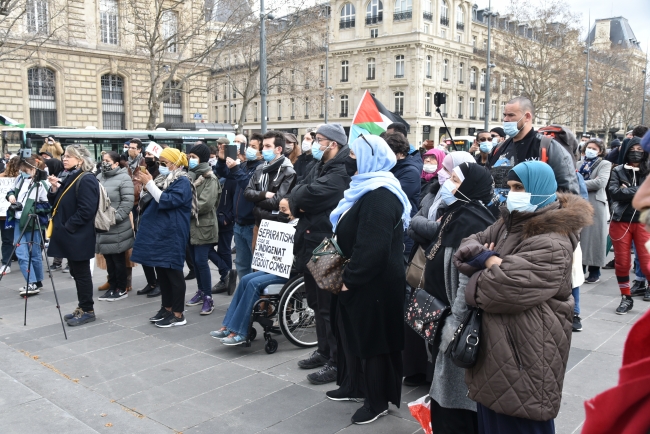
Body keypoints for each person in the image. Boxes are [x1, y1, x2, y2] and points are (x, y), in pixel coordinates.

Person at [454, 161, 593, 433]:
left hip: (526, 353)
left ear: (540, 189)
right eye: (509, 187)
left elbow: (500, 289)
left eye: (519, 187)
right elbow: (466, 246)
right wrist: (490, 260)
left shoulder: (552, 239)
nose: (511, 193)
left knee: (520, 420)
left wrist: (485, 262)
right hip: (499, 349)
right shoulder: (509, 222)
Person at [326, 134, 410, 425]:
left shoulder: (380, 195)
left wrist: (350, 279)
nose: (349, 160)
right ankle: (353, 386)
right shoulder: (364, 188)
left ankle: (376, 400)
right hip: (356, 278)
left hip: (373, 284)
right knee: (350, 334)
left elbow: (372, 247)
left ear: (369, 159)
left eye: (354, 156)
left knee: (373, 342)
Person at [425, 162, 496, 434]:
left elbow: (463, 281)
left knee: (455, 397)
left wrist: (452, 326)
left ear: (469, 186)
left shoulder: (473, 221)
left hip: (457, 324)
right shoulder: (457, 213)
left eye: (455, 179)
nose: (448, 184)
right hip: (444, 316)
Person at [289, 123, 352, 385]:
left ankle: (336, 362)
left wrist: (297, 201)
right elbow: (298, 188)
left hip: (326, 245)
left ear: (333, 144)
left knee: (328, 308)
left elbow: (311, 195)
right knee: (316, 304)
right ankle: (324, 351)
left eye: (318, 139)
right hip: (309, 240)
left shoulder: (340, 170)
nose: (314, 143)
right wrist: (298, 199)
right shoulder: (319, 165)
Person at [210, 198, 297, 345]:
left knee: (253, 284)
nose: (280, 213)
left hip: (289, 271)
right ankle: (228, 325)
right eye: (279, 209)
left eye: (284, 210)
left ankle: (240, 331)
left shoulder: (298, 227)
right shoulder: (282, 224)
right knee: (245, 279)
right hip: (274, 267)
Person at [132, 147, 193, 327]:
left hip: (172, 233)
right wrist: (146, 185)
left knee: (173, 273)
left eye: (165, 162)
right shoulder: (164, 178)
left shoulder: (183, 181)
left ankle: (178, 313)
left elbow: (167, 200)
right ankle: (166, 308)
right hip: (160, 232)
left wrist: (150, 184)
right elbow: (149, 198)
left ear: (175, 163)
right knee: (163, 273)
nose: (161, 165)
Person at [48, 145, 100, 326]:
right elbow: (58, 201)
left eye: (69, 156)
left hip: (79, 235)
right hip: (72, 234)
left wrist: (67, 227)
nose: (64, 158)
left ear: (80, 160)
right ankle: (83, 307)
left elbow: (87, 210)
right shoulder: (72, 176)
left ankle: (87, 310)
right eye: (64, 156)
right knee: (77, 272)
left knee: (82, 273)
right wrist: (54, 189)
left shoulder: (86, 179)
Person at [487, 96, 579, 195]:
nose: (505, 119)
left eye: (511, 115)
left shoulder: (548, 147)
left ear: (527, 117)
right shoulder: (498, 148)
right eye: (504, 115)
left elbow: (568, 192)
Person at [608, 140, 650, 313]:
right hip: (621, 222)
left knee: (647, 264)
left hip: (644, 223)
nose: (635, 152)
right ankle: (626, 297)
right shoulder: (617, 170)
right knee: (623, 263)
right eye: (632, 149)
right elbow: (614, 193)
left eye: (639, 149)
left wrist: (629, 189)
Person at [216, 133, 264, 280]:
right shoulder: (243, 165)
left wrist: (236, 169)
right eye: (249, 146)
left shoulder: (260, 168)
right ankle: (244, 292)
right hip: (239, 223)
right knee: (242, 264)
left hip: (251, 224)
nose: (249, 149)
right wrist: (222, 159)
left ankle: (255, 297)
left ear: (261, 153)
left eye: (253, 147)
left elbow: (248, 187)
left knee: (255, 266)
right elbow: (223, 172)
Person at [5, 156, 51, 296]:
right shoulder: (20, 179)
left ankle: (36, 281)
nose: (22, 173)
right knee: (21, 253)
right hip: (19, 220)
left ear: (33, 169)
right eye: (21, 170)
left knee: (36, 253)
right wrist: (11, 196)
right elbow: (10, 191)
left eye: (25, 171)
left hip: (34, 223)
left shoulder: (42, 184)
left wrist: (33, 209)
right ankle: (31, 282)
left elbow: (48, 205)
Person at [185, 143, 222, 315]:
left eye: (194, 157)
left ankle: (208, 297)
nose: (190, 159)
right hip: (191, 226)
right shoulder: (190, 175)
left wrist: (184, 209)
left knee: (201, 262)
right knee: (194, 262)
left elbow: (206, 204)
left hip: (204, 226)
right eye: (189, 156)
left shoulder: (210, 178)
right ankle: (200, 291)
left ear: (202, 159)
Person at [244, 131, 296, 246]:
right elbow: (247, 193)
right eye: (263, 146)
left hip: (276, 226)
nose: (264, 149)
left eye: (268, 146)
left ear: (278, 149)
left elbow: (276, 202)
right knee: (255, 260)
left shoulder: (288, 172)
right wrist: (264, 194)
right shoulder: (260, 169)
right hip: (258, 224)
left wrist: (256, 199)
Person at [95, 151, 135, 302]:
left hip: (117, 226)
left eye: (107, 160)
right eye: (102, 160)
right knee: (109, 260)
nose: (103, 163)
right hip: (102, 226)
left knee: (118, 260)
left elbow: (127, 203)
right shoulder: (99, 177)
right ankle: (112, 287)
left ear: (116, 163)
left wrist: (114, 218)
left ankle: (121, 288)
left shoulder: (124, 178)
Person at [579, 139, 612, 285]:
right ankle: (580, 269)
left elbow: (601, 183)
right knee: (580, 238)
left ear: (600, 151)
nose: (590, 150)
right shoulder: (578, 164)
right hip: (579, 203)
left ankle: (594, 271)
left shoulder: (604, 164)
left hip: (596, 203)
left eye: (594, 148)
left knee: (595, 238)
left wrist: (578, 183)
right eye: (588, 147)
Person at [136, 141, 163, 297]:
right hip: (143, 214)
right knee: (144, 252)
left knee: (155, 253)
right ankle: (151, 281)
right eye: (146, 154)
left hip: (155, 216)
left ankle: (159, 283)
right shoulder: (142, 170)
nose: (147, 157)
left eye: (150, 155)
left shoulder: (161, 174)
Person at [0, 157, 20, 274]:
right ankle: (6, 262)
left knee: (7, 240)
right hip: (10, 213)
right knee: (8, 239)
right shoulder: (21, 180)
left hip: (5, 213)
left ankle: (6, 262)